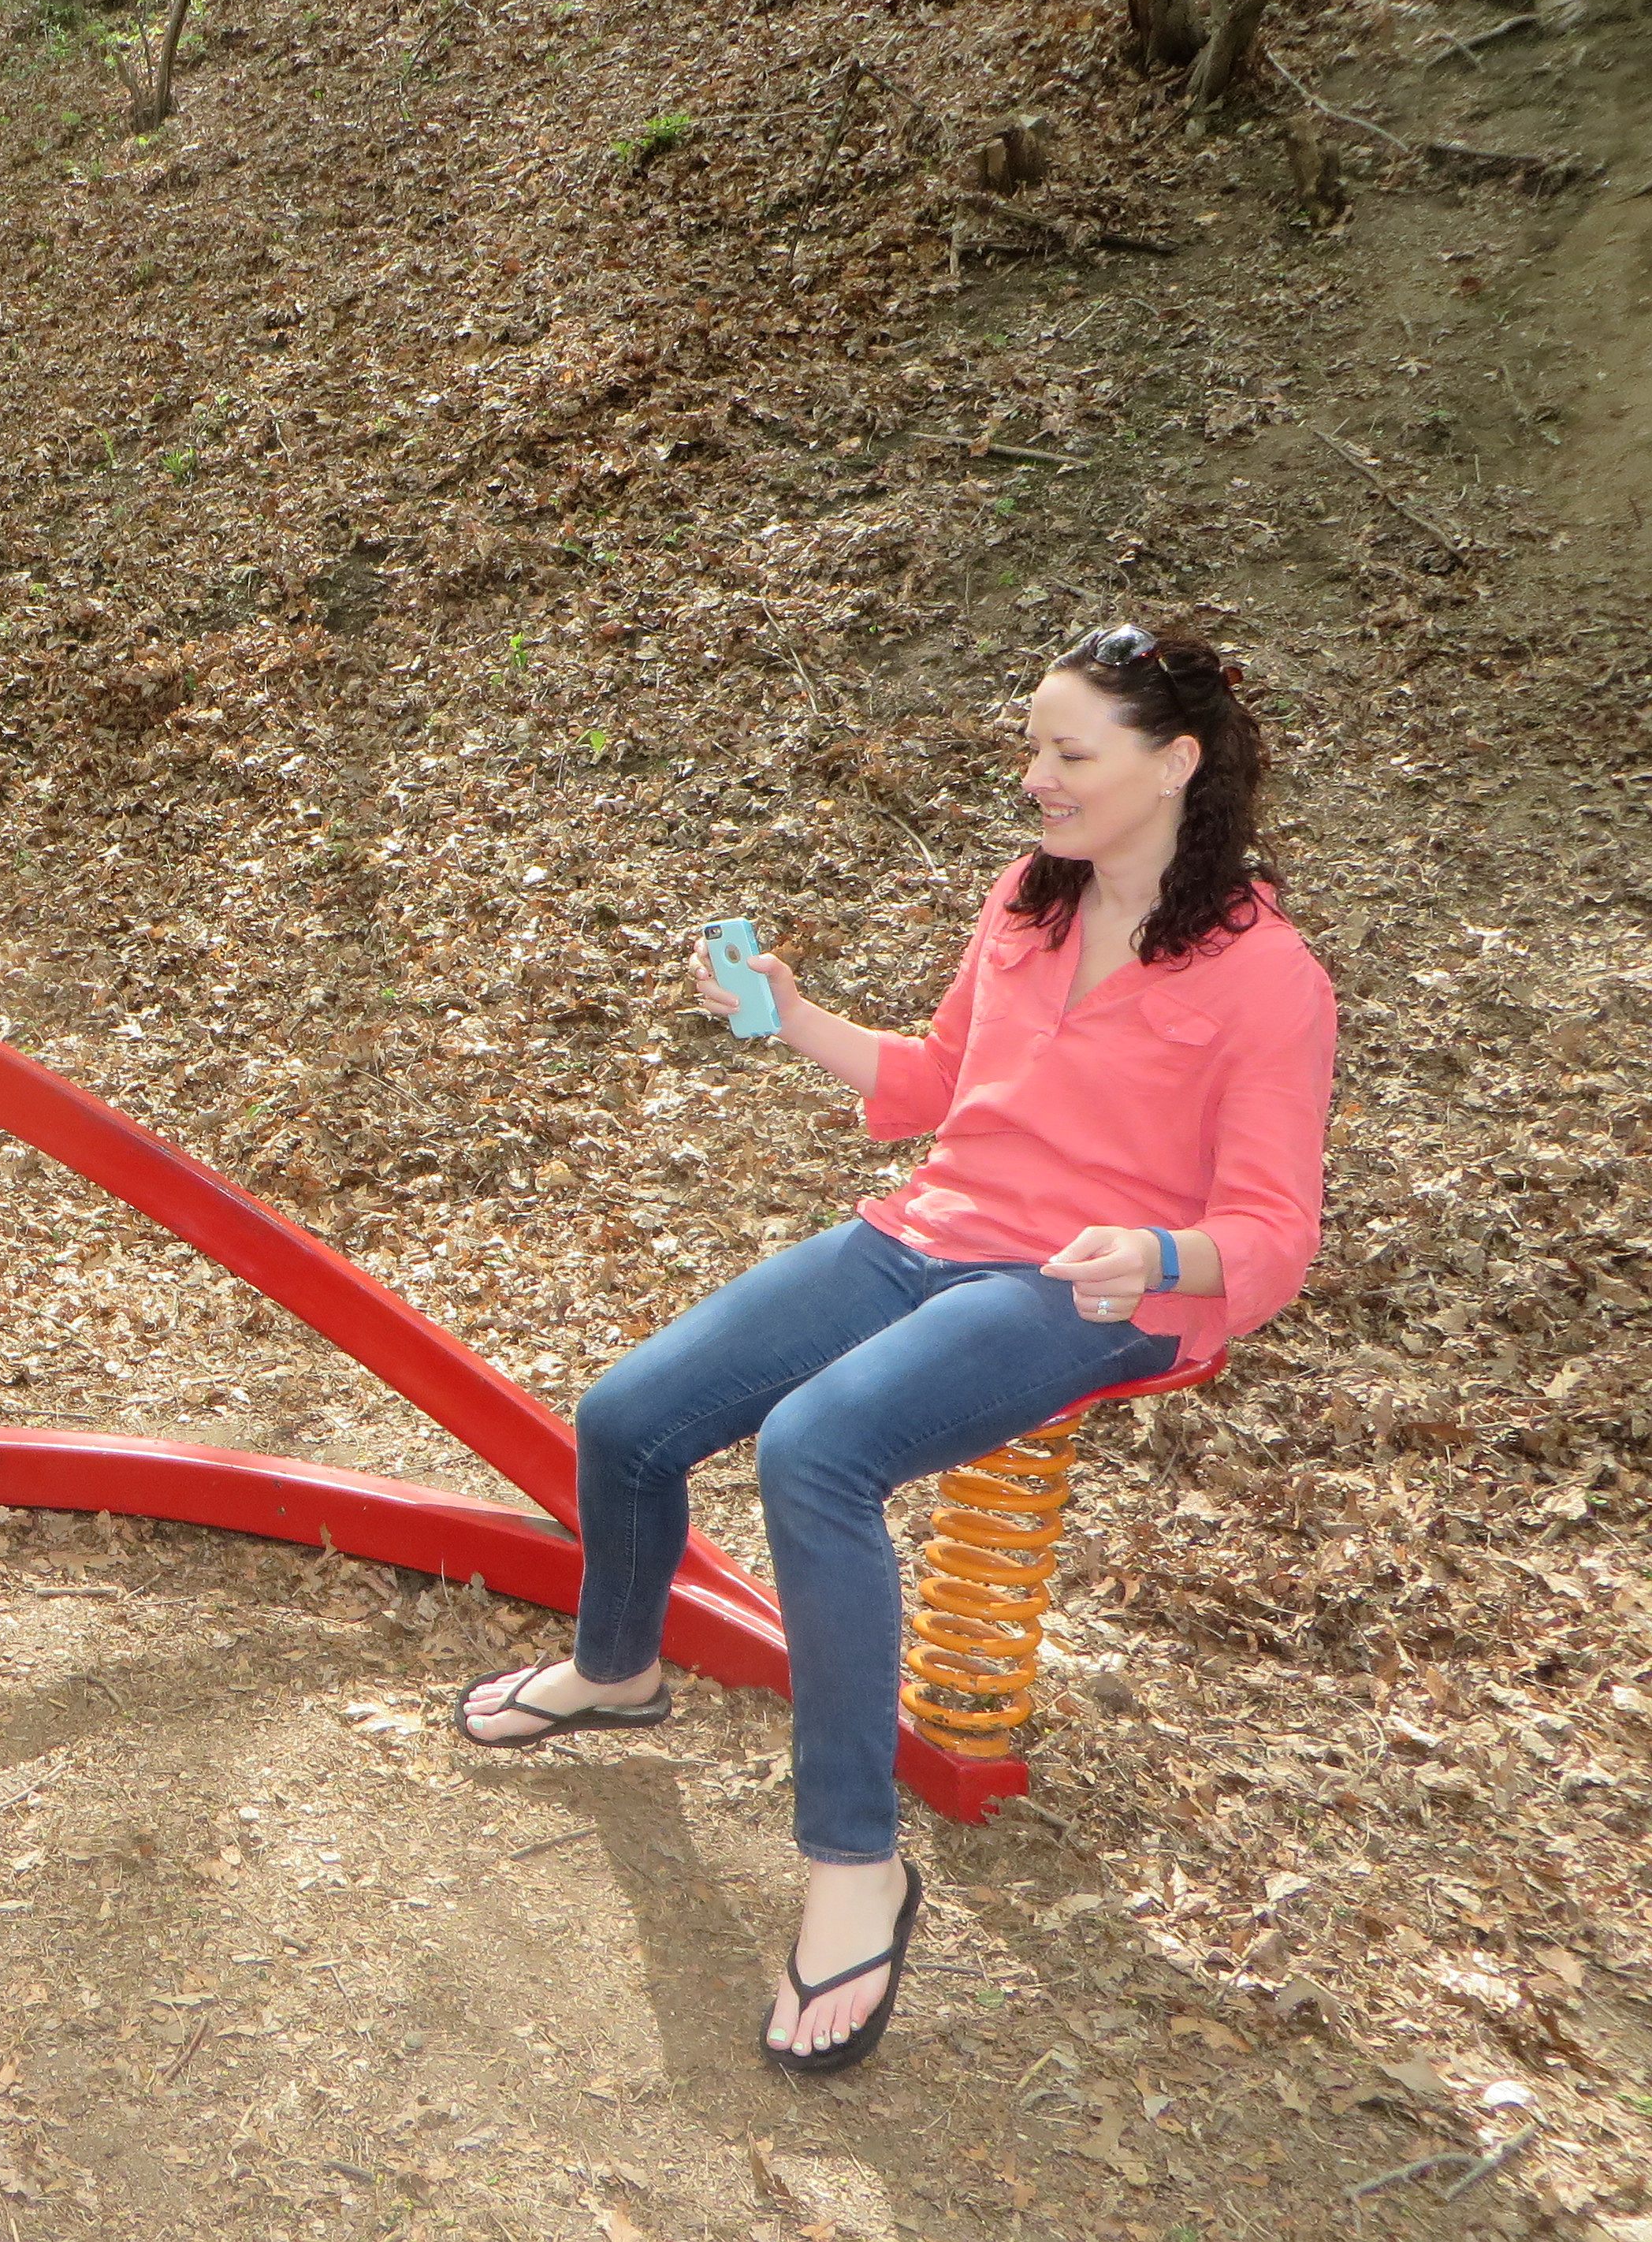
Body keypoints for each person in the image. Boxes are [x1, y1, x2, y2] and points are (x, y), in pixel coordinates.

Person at [454, 624, 1334, 2075]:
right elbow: (937, 1085)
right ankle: (616, 1670)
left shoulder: (1267, 976)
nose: (1036, 778)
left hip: (1084, 1287)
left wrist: (1164, 1255)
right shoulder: (1027, 901)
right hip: (929, 1229)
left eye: (1069, 753)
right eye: (1033, 748)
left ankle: (856, 1865)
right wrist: (793, 1018)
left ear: (1176, 763)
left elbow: (1276, 1233)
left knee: (816, 1450)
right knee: (626, 1417)